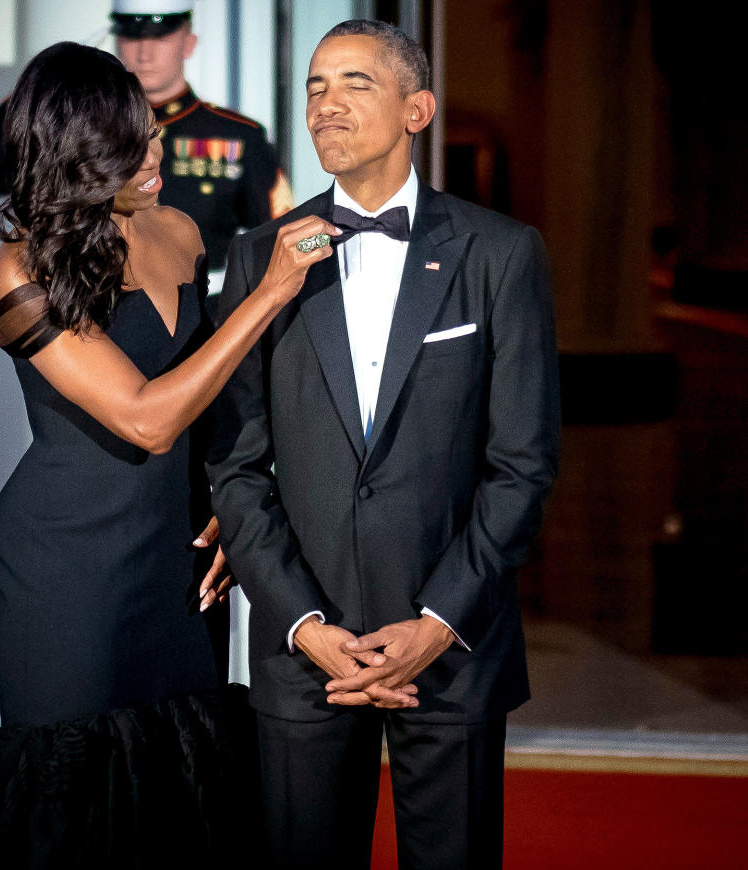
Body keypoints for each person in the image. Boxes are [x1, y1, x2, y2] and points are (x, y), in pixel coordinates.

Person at [0, 42, 337, 868]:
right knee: (72, 807)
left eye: (156, 133)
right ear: (81, 152)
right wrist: (269, 293)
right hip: (65, 569)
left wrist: (225, 513)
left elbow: (208, 409)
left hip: (175, 558)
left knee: (180, 787)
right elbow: (147, 420)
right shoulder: (19, 269)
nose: (158, 154)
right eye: (135, 142)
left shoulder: (178, 229)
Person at [207, 19, 560, 870]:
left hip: (451, 645)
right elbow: (234, 463)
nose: (326, 105)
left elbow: (523, 462)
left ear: (417, 109)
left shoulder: (501, 254)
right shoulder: (261, 255)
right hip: (306, 651)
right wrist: (302, 622)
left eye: (354, 84)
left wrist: (438, 621)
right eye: (315, 88)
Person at [0, 0, 292, 278]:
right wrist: (38, 88)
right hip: (97, 305)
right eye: (132, 37)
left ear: (189, 42)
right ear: (115, 41)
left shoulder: (237, 135)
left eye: (160, 37)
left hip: (206, 312)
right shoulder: (77, 130)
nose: (144, 53)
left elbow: (280, 233)